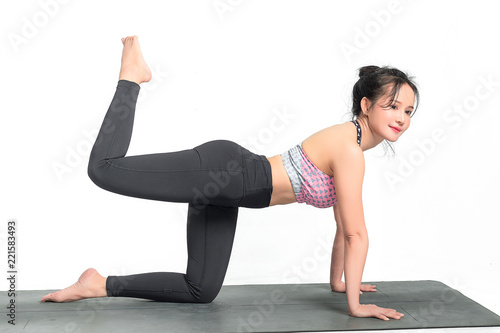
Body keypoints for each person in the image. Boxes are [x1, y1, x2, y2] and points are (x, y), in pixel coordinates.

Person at [41, 36, 419, 321]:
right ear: (367, 105)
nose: (401, 117)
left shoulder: (351, 144)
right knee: (103, 168)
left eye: (408, 110)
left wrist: (339, 284)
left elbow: (343, 228)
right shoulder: (350, 150)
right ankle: (131, 78)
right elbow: (357, 234)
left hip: (230, 191)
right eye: (392, 106)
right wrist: (355, 306)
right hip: (226, 173)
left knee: (200, 289)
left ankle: (97, 283)